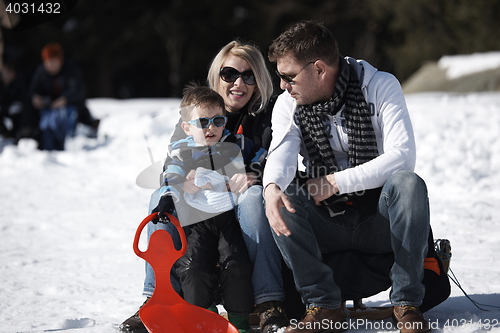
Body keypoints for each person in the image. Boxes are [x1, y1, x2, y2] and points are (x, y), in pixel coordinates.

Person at [263, 21, 431, 333]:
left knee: (409, 185)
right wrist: (270, 187)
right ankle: (323, 306)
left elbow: (402, 156)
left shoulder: (381, 86)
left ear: (319, 69)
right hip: (327, 219)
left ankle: (407, 304)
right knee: (282, 195)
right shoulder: (289, 102)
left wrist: (336, 182)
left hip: (377, 217)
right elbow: (282, 149)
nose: (283, 85)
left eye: (288, 76)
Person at [121, 40, 289, 333]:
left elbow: (275, 156)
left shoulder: (268, 114)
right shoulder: (197, 109)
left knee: (251, 198)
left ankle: (267, 301)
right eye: (230, 74)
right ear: (217, 76)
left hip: (240, 201)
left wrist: (255, 175)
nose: (239, 82)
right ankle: (156, 296)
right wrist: (179, 181)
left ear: (259, 80)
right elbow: (173, 158)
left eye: (248, 75)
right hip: (201, 206)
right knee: (160, 195)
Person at [153, 83, 269, 332]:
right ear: (186, 127)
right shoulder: (182, 152)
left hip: (228, 220)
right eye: (203, 122)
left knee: (236, 264)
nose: (211, 128)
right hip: (196, 222)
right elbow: (170, 175)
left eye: (217, 120)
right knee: (194, 266)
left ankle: (238, 319)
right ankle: (203, 315)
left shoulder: (237, 143)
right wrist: (170, 195)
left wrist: (253, 172)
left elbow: (263, 156)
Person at [28, 42, 99, 150]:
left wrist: (64, 99)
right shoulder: (41, 71)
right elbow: (34, 89)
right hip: (48, 110)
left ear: (60, 60)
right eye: (47, 62)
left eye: (53, 62)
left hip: (72, 109)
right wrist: (35, 97)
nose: (50, 66)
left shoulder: (71, 68)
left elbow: (78, 89)